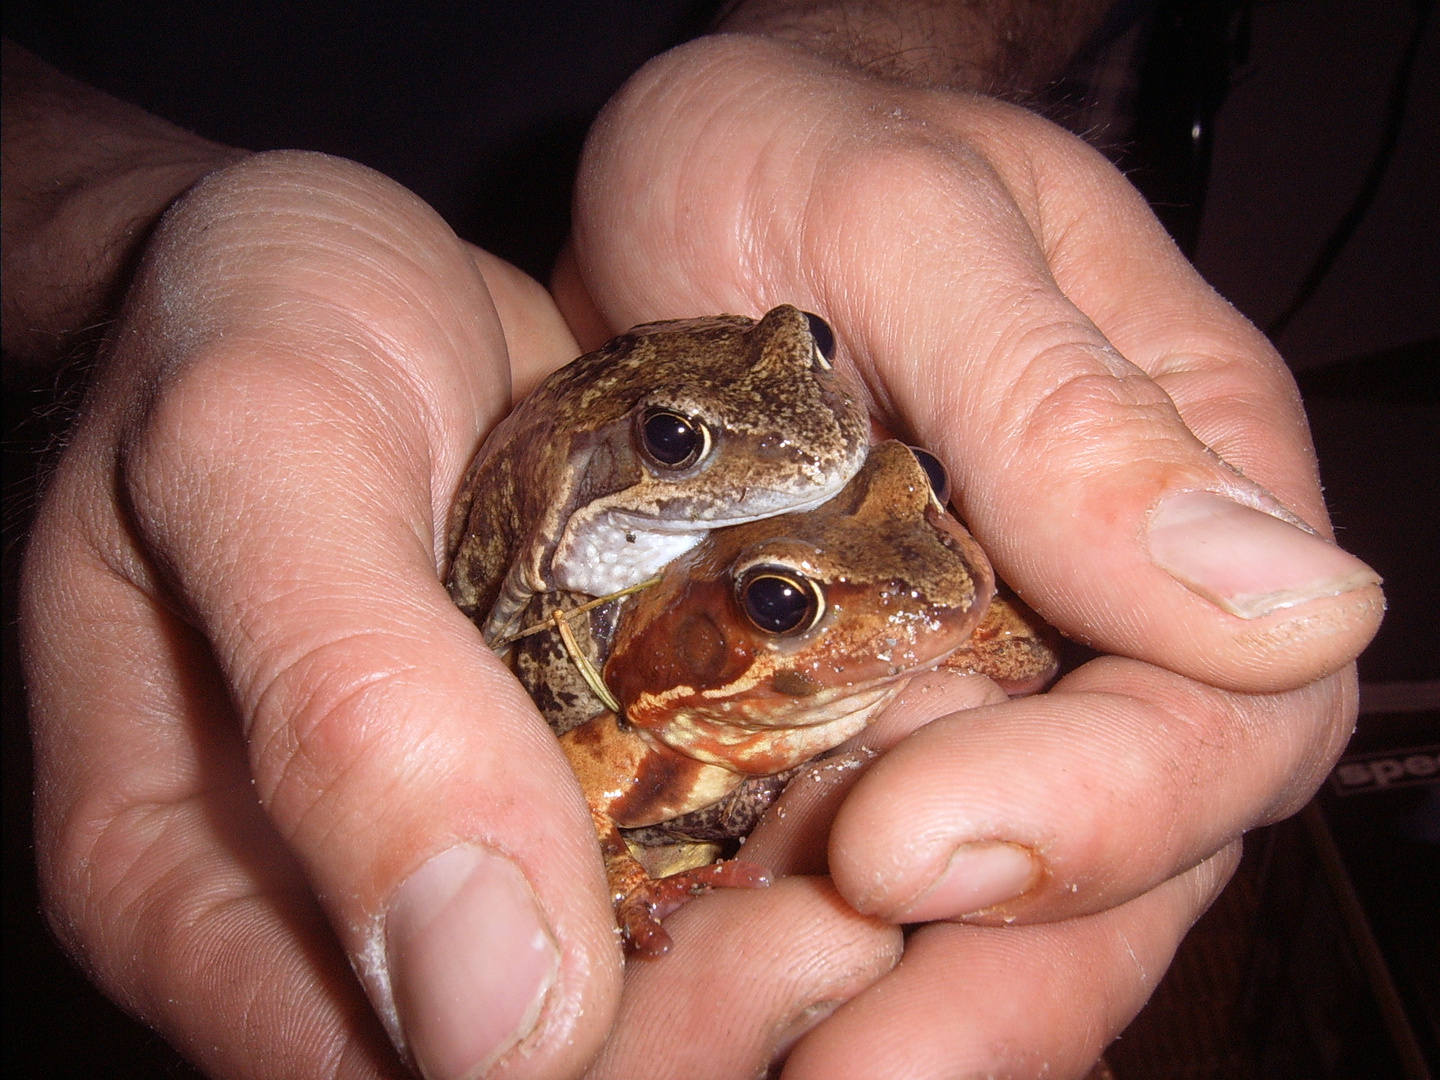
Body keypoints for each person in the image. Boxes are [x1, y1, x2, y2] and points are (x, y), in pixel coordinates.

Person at [3, 2, 1384, 1077]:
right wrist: (136, 257)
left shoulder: (795, 449)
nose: (831, 440)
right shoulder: (553, 602)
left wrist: (848, 70)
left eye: (822, 363)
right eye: (677, 446)